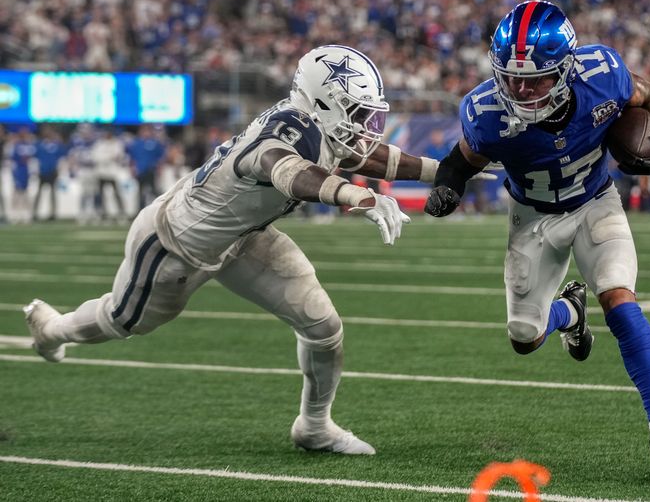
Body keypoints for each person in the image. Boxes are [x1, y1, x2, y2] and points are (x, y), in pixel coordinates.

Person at [23, 45, 442, 456]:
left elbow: (367, 157)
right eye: (356, 111)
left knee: (322, 326)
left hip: (244, 237)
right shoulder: (287, 132)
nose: (366, 123)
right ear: (322, 102)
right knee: (121, 319)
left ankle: (314, 427)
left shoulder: (318, 126)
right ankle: (52, 330)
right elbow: (292, 174)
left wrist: (447, 171)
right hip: (175, 244)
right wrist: (357, 197)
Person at [424, 1, 650, 479]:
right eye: (512, 77)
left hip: (595, 204)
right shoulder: (486, 112)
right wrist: (447, 188)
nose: (522, 89)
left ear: (566, 69)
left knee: (621, 300)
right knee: (523, 337)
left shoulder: (602, 73)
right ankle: (569, 312)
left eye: (537, 78)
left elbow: (649, 97)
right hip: (532, 220)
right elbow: (458, 161)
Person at [126, 125, 166, 213]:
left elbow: (161, 157)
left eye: (147, 131)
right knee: (140, 192)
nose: (145, 133)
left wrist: (159, 168)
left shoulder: (154, 143)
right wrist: (132, 168)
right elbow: (132, 158)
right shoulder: (136, 143)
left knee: (154, 191)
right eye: (144, 131)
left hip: (151, 170)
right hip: (140, 170)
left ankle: (159, 210)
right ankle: (140, 211)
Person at [32, 126, 68, 221]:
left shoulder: (57, 145)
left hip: (52, 171)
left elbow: (63, 156)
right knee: (39, 193)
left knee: (52, 193)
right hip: (43, 171)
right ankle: (35, 213)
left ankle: (53, 213)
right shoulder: (39, 145)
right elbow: (35, 158)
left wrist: (60, 169)